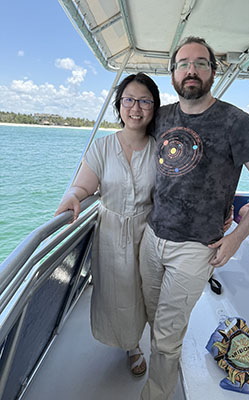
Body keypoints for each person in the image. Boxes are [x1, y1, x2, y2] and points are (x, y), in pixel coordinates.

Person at [138, 36, 249, 400]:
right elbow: (128, 146)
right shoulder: (164, 116)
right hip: (152, 237)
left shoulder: (236, 122)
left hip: (195, 248)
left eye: (201, 63)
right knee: (155, 318)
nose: (191, 70)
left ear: (214, 72)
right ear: (172, 73)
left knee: (167, 334)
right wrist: (82, 189)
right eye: (183, 63)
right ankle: (156, 363)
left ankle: (155, 394)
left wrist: (235, 237)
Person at [55, 72, 161, 377]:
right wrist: (73, 196)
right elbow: (83, 187)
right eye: (129, 100)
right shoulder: (102, 147)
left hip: (148, 232)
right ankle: (128, 341)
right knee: (116, 292)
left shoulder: (159, 150)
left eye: (144, 101)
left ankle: (139, 342)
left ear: (154, 108)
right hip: (112, 232)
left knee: (143, 291)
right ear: (119, 105)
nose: (136, 108)